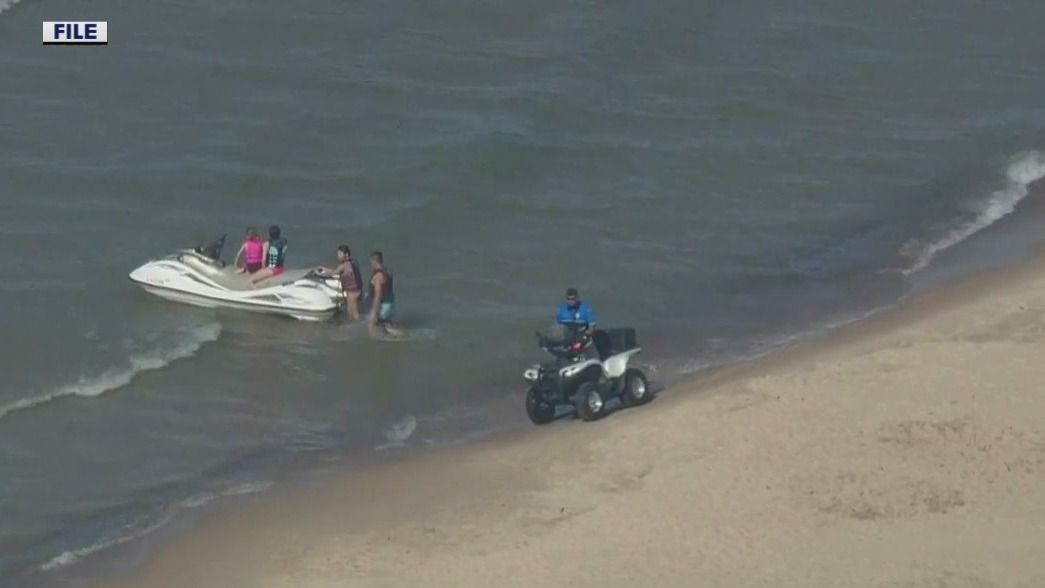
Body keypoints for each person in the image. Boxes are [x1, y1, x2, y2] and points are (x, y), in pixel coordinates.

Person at [316, 244, 363, 320]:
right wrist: (324, 268)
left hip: (352, 292)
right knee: (350, 312)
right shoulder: (353, 261)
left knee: (354, 314)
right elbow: (336, 271)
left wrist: (320, 274)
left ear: (346, 254)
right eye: (338, 254)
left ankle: (360, 326)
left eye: (340, 254)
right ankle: (351, 327)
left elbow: (333, 273)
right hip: (356, 290)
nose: (338, 256)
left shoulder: (344, 265)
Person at [367, 250, 402, 337]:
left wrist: (373, 311)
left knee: (372, 325)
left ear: (374, 261)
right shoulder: (388, 271)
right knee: (386, 325)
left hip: (384, 305)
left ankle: (377, 343)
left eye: (371, 261)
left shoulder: (378, 276)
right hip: (390, 303)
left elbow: (378, 294)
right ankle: (395, 337)